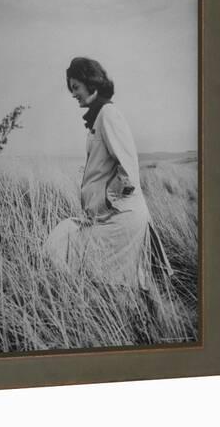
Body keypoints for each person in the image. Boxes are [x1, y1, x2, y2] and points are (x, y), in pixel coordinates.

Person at [44, 57, 173, 292]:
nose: (73, 94)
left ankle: (137, 323)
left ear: (90, 83)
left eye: (76, 87)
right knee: (114, 284)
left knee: (67, 248)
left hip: (120, 217)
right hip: (114, 215)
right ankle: (144, 319)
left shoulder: (108, 114)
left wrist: (105, 201)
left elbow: (128, 169)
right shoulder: (100, 115)